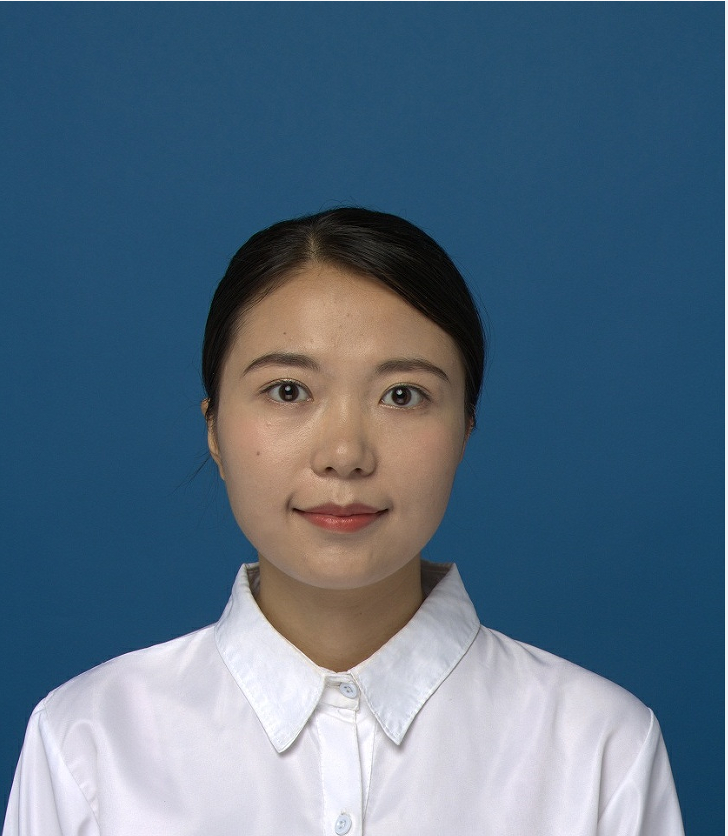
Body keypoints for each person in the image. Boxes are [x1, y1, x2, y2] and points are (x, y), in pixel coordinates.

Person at [3, 208, 684, 835]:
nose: (344, 454)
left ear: (466, 429)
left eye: (403, 395)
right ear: (213, 428)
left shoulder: (600, 748)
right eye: (288, 391)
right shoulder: (88, 743)